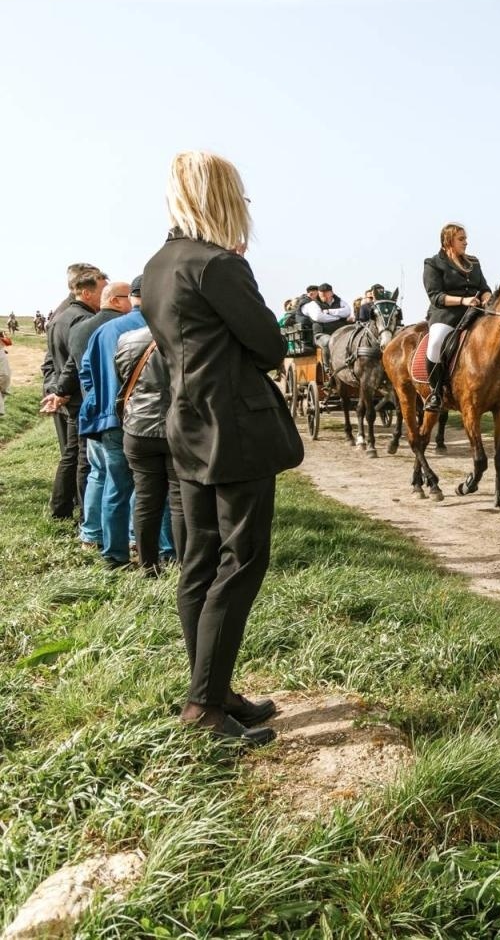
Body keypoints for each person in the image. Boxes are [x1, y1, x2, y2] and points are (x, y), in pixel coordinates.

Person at [142, 150, 302, 746]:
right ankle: (205, 706)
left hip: (186, 427)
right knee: (242, 562)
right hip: (236, 430)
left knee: (199, 563)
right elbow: (268, 347)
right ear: (224, 200)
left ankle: (213, 689)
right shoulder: (218, 266)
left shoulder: (158, 265)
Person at [116, 279, 181, 577]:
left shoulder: (127, 340)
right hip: (175, 428)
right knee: (179, 500)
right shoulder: (182, 340)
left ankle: (147, 565)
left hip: (138, 429)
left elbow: (124, 378)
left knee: (146, 500)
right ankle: (186, 564)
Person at [74, 281, 136, 566]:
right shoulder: (142, 326)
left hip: (105, 418)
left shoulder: (97, 330)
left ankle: (108, 548)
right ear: (120, 300)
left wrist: (100, 397)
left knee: (109, 481)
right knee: (142, 484)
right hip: (138, 417)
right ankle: (139, 541)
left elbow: (84, 372)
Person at [40, 264, 106, 521]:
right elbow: (77, 361)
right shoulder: (81, 319)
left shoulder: (60, 316)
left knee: (71, 454)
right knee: (81, 457)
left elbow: (52, 361)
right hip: (77, 396)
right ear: (86, 292)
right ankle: (82, 513)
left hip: (67, 394)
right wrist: (62, 390)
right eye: (101, 290)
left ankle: (61, 509)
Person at [421, 223, 492, 412]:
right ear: (448, 241)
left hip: (476, 312)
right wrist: (463, 300)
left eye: (465, 238)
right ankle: (435, 393)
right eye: (461, 239)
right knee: (436, 342)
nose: (466, 242)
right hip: (446, 314)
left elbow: (484, 288)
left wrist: (488, 298)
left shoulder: (473, 262)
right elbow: (435, 296)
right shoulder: (433, 263)